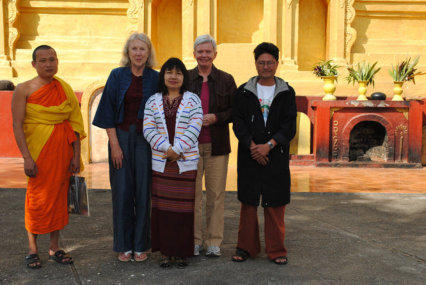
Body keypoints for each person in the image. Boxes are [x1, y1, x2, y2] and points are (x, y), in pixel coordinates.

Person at [11, 45, 86, 269]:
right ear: (34, 64)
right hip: (38, 155)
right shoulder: (23, 90)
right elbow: (17, 126)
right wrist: (26, 157)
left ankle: (54, 247)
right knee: (37, 199)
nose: (48, 64)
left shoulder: (64, 88)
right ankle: (33, 249)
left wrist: (76, 155)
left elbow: (74, 124)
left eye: (52, 59)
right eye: (43, 60)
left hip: (63, 153)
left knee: (60, 200)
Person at [92, 33, 158, 262]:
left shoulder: (155, 78)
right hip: (119, 138)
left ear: (149, 53)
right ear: (127, 52)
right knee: (121, 193)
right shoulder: (117, 75)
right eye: (134, 49)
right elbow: (108, 112)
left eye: (143, 49)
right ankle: (123, 245)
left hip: (145, 141)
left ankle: (140, 245)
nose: (138, 53)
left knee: (143, 192)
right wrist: (115, 146)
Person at [231, 42, 297, 265]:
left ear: (277, 64)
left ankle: (277, 250)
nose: (266, 66)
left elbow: (289, 126)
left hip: (275, 155)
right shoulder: (244, 91)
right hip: (249, 155)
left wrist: (268, 145)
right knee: (248, 204)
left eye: (270, 62)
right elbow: (238, 122)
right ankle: (246, 247)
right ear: (256, 64)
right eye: (261, 62)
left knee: (275, 203)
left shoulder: (287, 92)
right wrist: (252, 146)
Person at [143, 58, 202, 268]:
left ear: (184, 77)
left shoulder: (193, 100)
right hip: (161, 163)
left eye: (178, 73)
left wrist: (177, 150)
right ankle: (166, 253)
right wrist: (166, 149)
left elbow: (195, 127)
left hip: (184, 163)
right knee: (163, 209)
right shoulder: (153, 101)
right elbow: (148, 129)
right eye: (169, 72)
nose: (173, 76)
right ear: (163, 76)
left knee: (183, 210)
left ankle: (181, 252)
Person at [188, 34, 237, 257]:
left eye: (208, 51)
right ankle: (195, 240)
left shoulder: (226, 79)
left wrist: (216, 117)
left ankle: (214, 241)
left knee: (216, 196)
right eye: (200, 52)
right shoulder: (186, 78)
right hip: (189, 147)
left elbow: (235, 111)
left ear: (215, 54)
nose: (204, 55)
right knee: (193, 196)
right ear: (194, 54)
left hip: (217, 146)